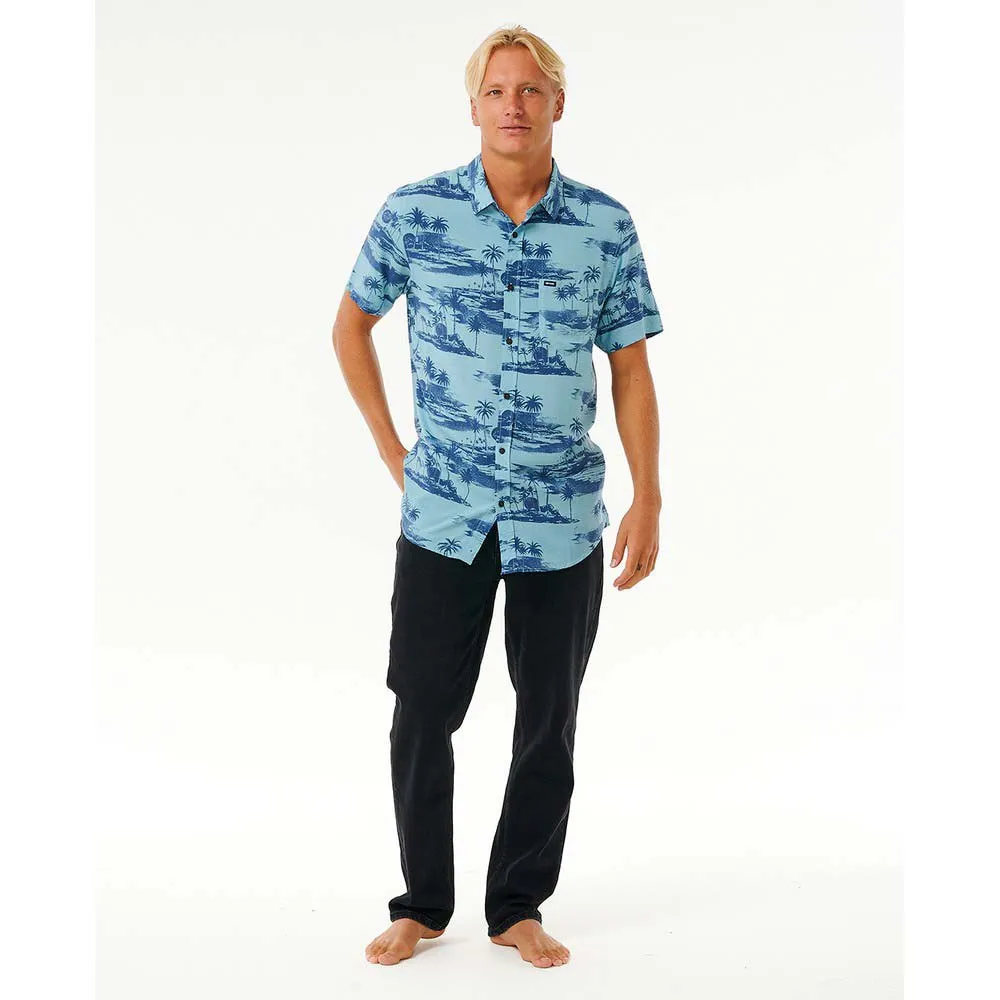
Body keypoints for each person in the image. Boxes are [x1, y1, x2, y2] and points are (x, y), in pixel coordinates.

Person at [332, 24, 663, 968]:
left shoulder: (604, 226)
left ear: (558, 103)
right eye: (496, 90)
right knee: (421, 711)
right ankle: (421, 906)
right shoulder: (416, 212)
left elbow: (630, 369)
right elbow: (350, 327)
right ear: (473, 105)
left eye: (530, 89)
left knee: (547, 719)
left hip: (561, 517)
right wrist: (393, 449)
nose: (513, 105)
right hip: (444, 511)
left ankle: (518, 904)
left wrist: (648, 496)